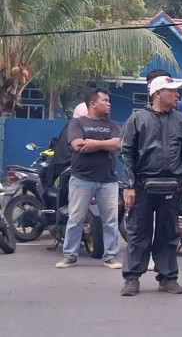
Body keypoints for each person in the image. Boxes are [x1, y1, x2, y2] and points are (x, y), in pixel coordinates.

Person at [119, 76, 182, 296]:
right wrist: (129, 185)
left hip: (172, 187)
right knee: (137, 233)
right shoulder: (137, 119)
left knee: (169, 233)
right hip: (142, 186)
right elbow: (126, 154)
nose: (176, 95)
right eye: (171, 91)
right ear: (157, 93)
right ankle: (132, 279)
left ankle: (168, 277)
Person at [54, 90, 122, 269]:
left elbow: (117, 144)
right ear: (93, 103)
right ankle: (70, 255)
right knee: (75, 218)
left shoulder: (112, 124)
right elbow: (77, 145)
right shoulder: (77, 123)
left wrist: (93, 143)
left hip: (108, 180)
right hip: (81, 179)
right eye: (105, 100)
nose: (109, 103)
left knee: (110, 220)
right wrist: (103, 146)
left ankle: (111, 256)